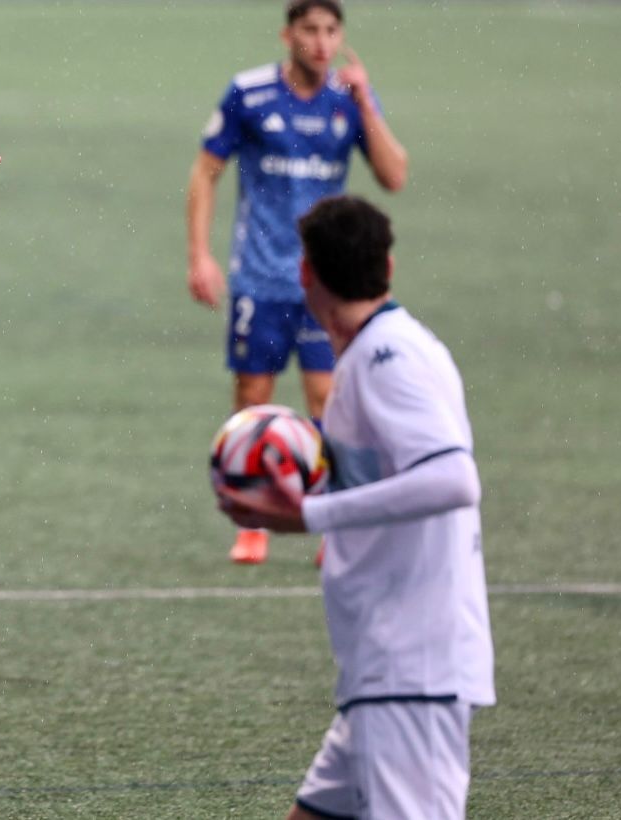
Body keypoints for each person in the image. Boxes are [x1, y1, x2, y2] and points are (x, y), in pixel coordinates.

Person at [215, 195, 495, 819]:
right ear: (387, 267)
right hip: (381, 669)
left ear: (305, 273)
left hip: (412, 670)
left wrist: (308, 517)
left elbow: (454, 480)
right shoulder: (378, 351)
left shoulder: (388, 359)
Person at [186, 0, 408, 564]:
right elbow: (206, 172)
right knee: (251, 397)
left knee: (328, 402)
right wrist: (200, 256)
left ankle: (331, 520)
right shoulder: (250, 93)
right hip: (259, 277)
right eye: (310, 29)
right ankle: (252, 520)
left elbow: (394, 176)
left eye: (332, 30)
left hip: (324, 284)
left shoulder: (349, 97)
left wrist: (367, 102)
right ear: (288, 35)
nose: (322, 41)